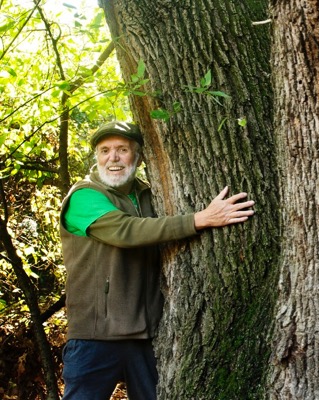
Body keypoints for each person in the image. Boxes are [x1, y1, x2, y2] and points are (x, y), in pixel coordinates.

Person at [59, 121, 254, 399]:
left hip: (145, 336)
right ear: (97, 157)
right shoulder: (85, 196)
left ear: (138, 157)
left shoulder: (149, 193)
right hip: (96, 336)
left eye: (122, 150)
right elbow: (125, 231)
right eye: (104, 150)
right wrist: (200, 219)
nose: (112, 158)